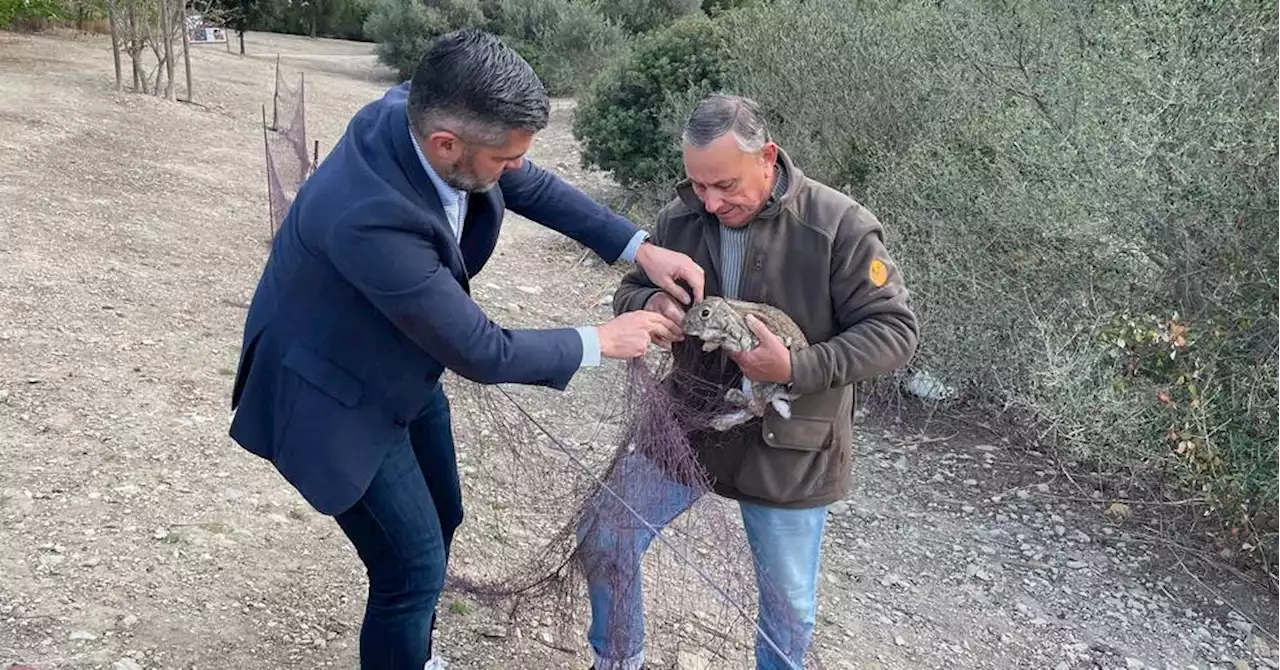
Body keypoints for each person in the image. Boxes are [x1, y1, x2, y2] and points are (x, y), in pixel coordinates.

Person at [227, 29, 706, 670]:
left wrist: (637, 247)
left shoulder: (423, 110)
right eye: (504, 160)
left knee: (444, 515)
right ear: (446, 144)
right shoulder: (369, 216)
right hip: (333, 395)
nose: (515, 170)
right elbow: (481, 350)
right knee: (410, 571)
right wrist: (603, 341)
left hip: (400, 363)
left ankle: (413, 652)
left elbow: (530, 184)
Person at [579, 93, 920, 670]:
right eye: (698, 186)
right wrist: (654, 302)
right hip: (687, 424)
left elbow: (894, 333)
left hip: (792, 446)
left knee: (789, 608)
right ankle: (617, 660)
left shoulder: (840, 226)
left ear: (767, 157)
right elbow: (630, 291)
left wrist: (794, 369)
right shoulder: (679, 218)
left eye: (725, 186)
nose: (710, 203)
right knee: (603, 534)